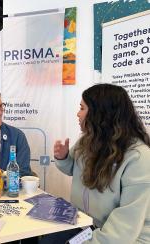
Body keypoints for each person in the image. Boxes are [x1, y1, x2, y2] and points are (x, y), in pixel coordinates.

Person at [52, 83, 150, 243]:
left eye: (82, 108)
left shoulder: (139, 158)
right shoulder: (88, 141)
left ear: (100, 114)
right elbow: (73, 169)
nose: (78, 114)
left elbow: (124, 229)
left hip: (124, 238)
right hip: (86, 225)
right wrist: (63, 158)